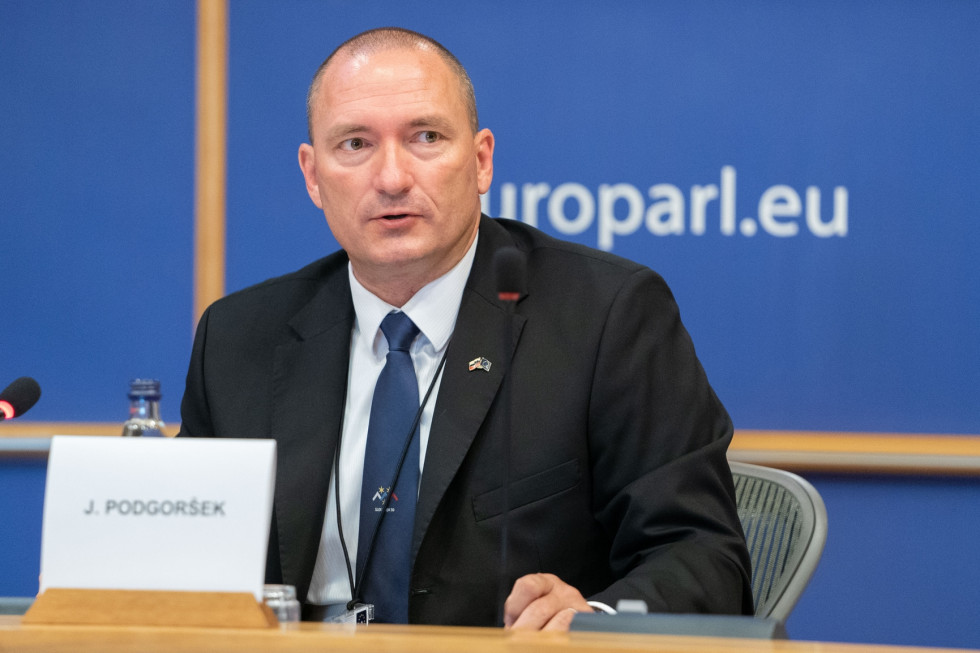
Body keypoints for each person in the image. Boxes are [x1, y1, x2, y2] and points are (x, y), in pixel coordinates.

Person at [179, 27, 753, 630]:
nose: (392, 178)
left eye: (425, 137)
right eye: (355, 144)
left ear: (481, 161)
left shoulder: (606, 316)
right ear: (313, 175)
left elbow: (702, 554)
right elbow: (172, 559)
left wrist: (593, 620)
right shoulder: (240, 337)